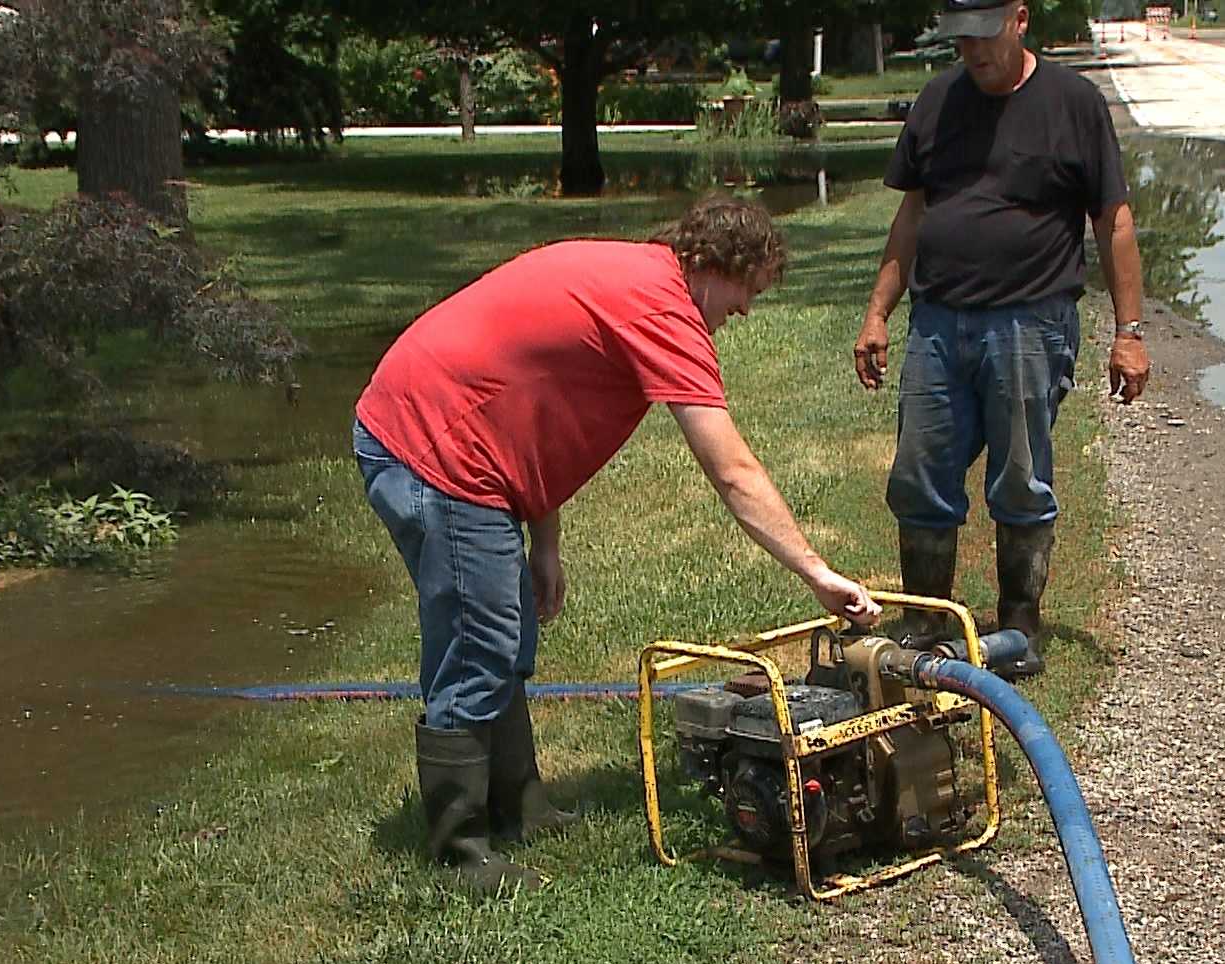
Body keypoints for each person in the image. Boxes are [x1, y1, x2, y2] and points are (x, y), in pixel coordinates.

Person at [353, 195, 882, 894]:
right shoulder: (663, 309)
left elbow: (538, 410)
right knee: (476, 644)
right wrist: (816, 571)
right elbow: (733, 472)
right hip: (432, 449)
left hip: (458, 439)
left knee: (505, 639)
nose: (746, 310)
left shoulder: (643, 277)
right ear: (708, 265)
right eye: (746, 289)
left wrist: (544, 537)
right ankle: (460, 853)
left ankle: (521, 804)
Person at [852, 0, 1151, 676]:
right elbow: (911, 214)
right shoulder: (937, 101)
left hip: (1029, 323)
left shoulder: (1073, 103)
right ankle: (926, 623)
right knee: (920, 474)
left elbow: (1114, 222)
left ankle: (1018, 627)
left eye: (984, 38)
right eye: (961, 41)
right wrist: (878, 312)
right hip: (937, 322)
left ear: (1020, 20)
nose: (974, 53)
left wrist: (1129, 332)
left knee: (1019, 478)